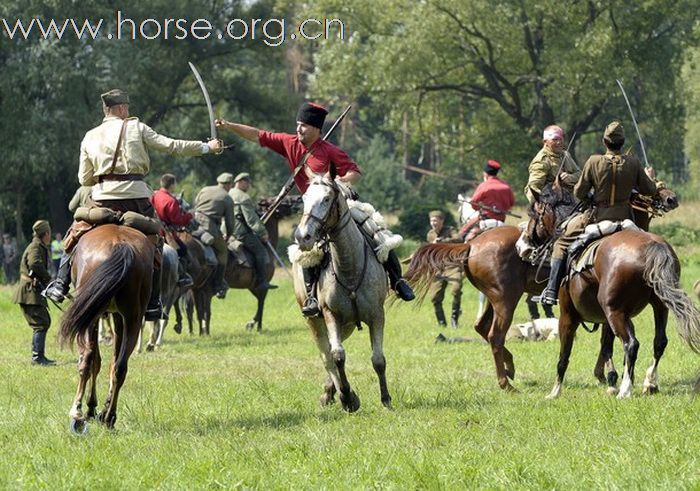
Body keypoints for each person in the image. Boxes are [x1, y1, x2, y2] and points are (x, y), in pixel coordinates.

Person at [215, 101, 414, 317]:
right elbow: (257, 135)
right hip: (314, 211)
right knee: (305, 246)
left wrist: (338, 182)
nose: (299, 129)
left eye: (304, 125)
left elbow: (354, 173)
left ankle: (397, 280)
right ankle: (311, 296)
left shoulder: (330, 151)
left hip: (339, 204)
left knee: (376, 231)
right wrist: (227, 125)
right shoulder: (288, 143)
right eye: (298, 124)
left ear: (317, 129)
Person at [42, 89, 222, 321]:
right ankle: (154, 301)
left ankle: (60, 283)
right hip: (135, 199)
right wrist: (208, 147)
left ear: (106, 109)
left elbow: (84, 179)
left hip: (102, 198)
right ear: (121, 108)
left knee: (74, 234)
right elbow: (172, 146)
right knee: (156, 241)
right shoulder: (137, 128)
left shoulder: (90, 135)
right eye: (127, 107)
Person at [534, 121, 657, 305]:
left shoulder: (593, 161)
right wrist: (648, 176)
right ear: (622, 142)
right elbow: (649, 190)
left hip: (598, 219)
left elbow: (579, 193)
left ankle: (551, 291)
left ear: (604, 141)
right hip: (626, 220)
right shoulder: (633, 162)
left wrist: (592, 194)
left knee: (560, 244)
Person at [518, 126, 581, 257]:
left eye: (561, 139)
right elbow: (533, 186)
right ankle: (526, 238)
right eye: (555, 139)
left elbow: (579, 173)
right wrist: (541, 205)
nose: (559, 142)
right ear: (545, 142)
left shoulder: (565, 155)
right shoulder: (542, 161)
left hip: (571, 200)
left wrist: (570, 177)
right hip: (552, 205)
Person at [13, 220, 55, 365]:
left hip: (33, 290)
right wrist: (48, 278)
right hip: (29, 292)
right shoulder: (36, 246)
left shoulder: (38, 245)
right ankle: (37, 358)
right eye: (49, 233)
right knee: (41, 322)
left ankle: (39, 356)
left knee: (43, 321)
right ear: (46, 234)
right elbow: (34, 263)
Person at [229, 172, 277, 290]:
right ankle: (261, 281)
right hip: (240, 232)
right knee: (260, 251)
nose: (249, 186)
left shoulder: (228, 194)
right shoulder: (243, 197)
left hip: (226, 230)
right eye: (247, 183)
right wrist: (262, 233)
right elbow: (251, 219)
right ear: (240, 182)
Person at [194, 172, 236, 298]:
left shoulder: (204, 189)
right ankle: (218, 284)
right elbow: (229, 221)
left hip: (194, 223)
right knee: (223, 251)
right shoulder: (227, 198)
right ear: (229, 185)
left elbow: (196, 204)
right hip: (209, 227)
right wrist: (229, 235)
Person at [151, 173, 194, 287]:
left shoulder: (154, 195)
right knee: (183, 251)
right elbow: (178, 221)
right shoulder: (171, 201)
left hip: (152, 231)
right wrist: (189, 215)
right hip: (166, 235)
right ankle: (182, 277)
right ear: (172, 185)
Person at [426, 210, 463, 328]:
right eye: (432, 221)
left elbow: (459, 239)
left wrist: (443, 241)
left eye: (436, 220)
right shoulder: (430, 234)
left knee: (456, 289)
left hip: (452, 265)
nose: (434, 223)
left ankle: (454, 320)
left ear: (442, 221)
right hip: (437, 267)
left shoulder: (450, 230)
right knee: (435, 297)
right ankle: (441, 323)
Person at [462, 160, 515, 241]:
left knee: (463, 232)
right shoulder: (506, 186)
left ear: (485, 174)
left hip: (485, 218)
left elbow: (473, 203)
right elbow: (511, 204)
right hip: (501, 220)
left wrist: (478, 209)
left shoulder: (484, 185)